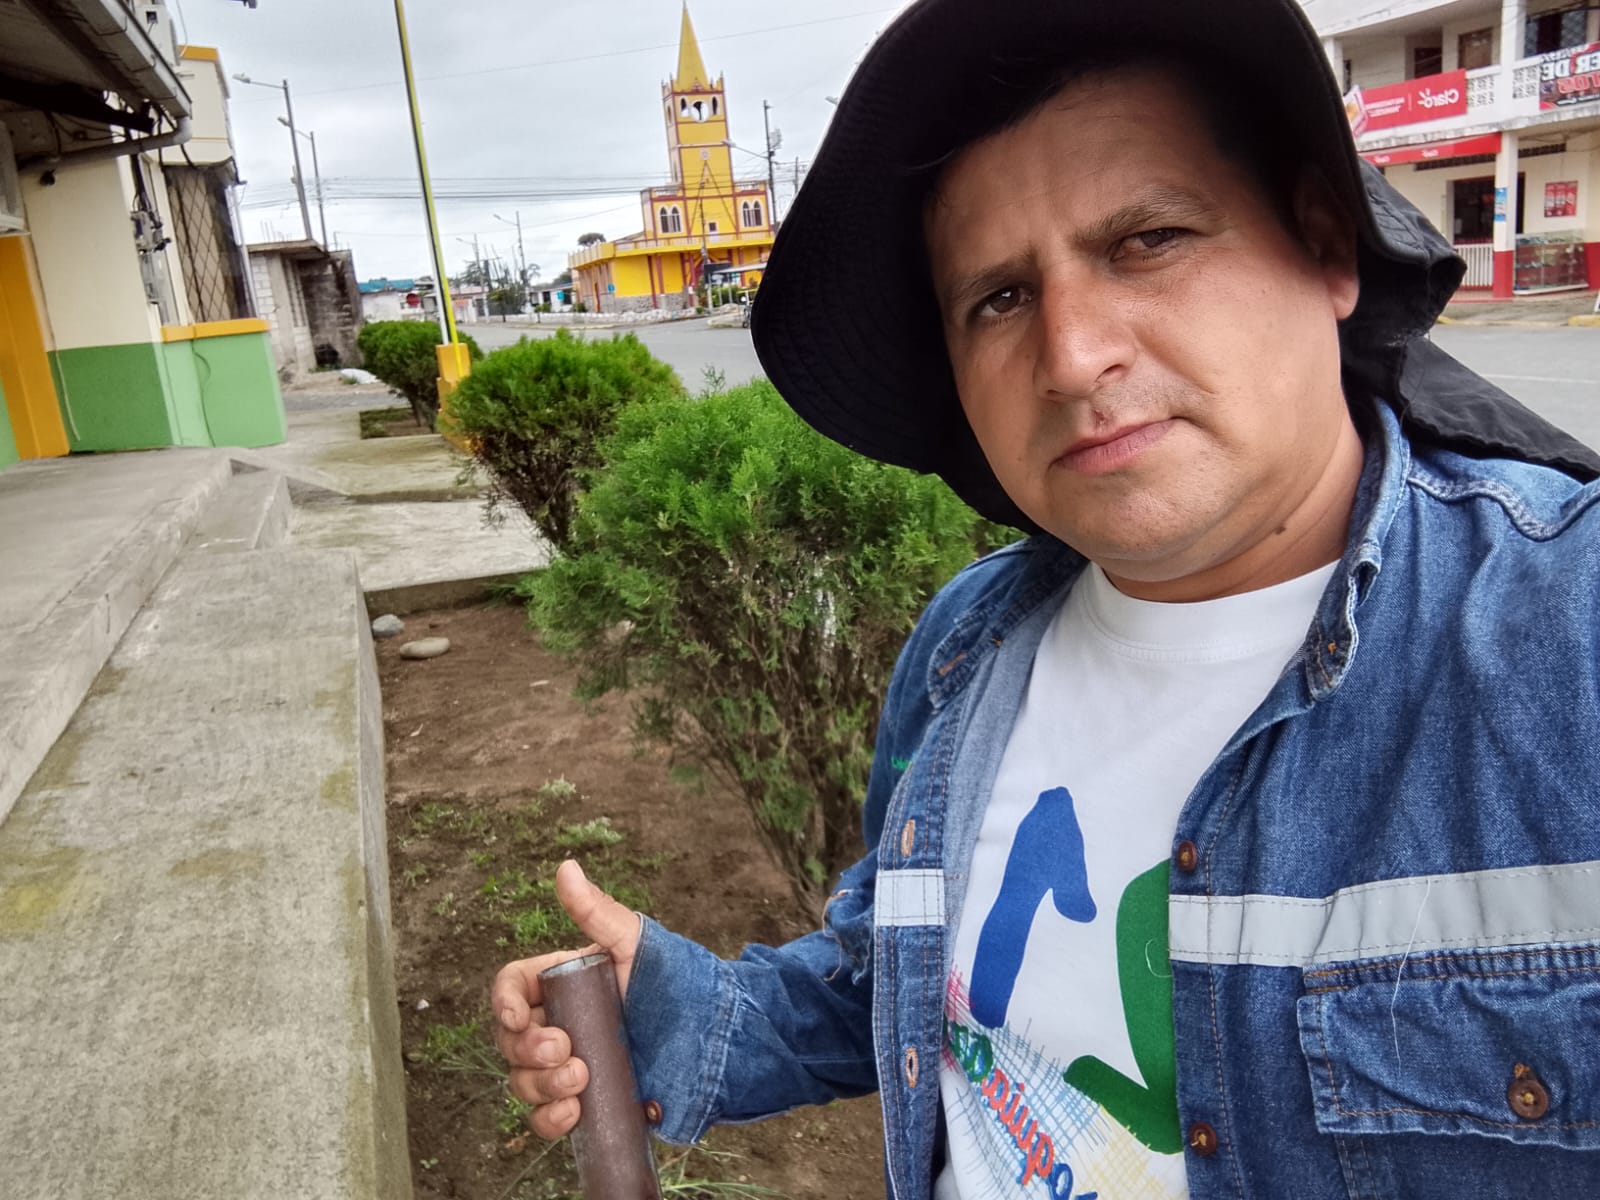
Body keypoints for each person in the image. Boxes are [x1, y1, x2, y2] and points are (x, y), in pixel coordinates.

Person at [495, 0, 1600, 1195]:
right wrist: (682, 1008)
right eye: (999, 299)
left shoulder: (1566, 634)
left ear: (1326, 247)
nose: (1071, 357)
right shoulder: (966, 649)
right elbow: (911, 980)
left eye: (1148, 240)